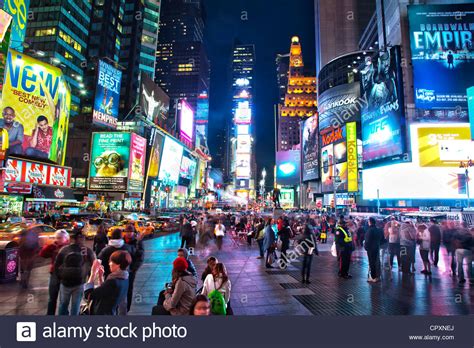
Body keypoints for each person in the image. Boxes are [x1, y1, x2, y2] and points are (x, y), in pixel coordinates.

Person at [54, 230, 95, 315]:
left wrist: (60, 276)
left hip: (65, 282)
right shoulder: (87, 251)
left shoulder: (65, 249)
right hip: (80, 282)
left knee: (63, 304)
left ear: (74, 239)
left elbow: (57, 265)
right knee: (75, 305)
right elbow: (93, 266)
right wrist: (90, 280)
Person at [83, 251, 131, 315]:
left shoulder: (113, 282)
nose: (109, 264)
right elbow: (105, 292)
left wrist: (92, 274)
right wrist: (100, 277)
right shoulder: (125, 278)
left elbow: (88, 295)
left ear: (118, 265)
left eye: (111, 262)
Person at [39, 229, 70, 315]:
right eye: (56, 238)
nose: (57, 240)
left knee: (63, 299)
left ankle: (63, 314)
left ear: (66, 239)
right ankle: (50, 314)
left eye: (60, 238)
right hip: (54, 274)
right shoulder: (53, 246)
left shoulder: (69, 248)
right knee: (52, 297)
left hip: (65, 275)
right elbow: (42, 254)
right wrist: (50, 245)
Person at [123, 224, 145, 312]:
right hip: (120, 269)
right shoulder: (121, 241)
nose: (129, 233)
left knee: (129, 288)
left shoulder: (137, 242)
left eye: (130, 232)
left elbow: (140, 257)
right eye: (127, 232)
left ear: (133, 233)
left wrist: (134, 268)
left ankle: (127, 307)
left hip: (131, 270)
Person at [364, 217, 385, 282]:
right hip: (377, 248)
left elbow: (367, 241)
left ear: (370, 222)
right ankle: (378, 276)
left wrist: (366, 248)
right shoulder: (379, 230)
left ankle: (373, 277)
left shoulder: (369, 230)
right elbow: (382, 240)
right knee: (377, 262)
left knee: (372, 263)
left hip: (370, 249)